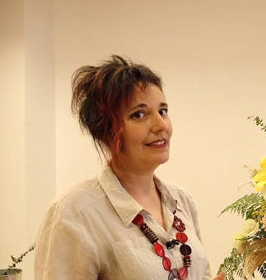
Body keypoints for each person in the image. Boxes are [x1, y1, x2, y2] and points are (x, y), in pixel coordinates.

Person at [34, 55, 224, 280]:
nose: (160, 125)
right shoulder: (75, 212)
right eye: (139, 114)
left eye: (162, 111)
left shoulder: (182, 202)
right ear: (107, 131)